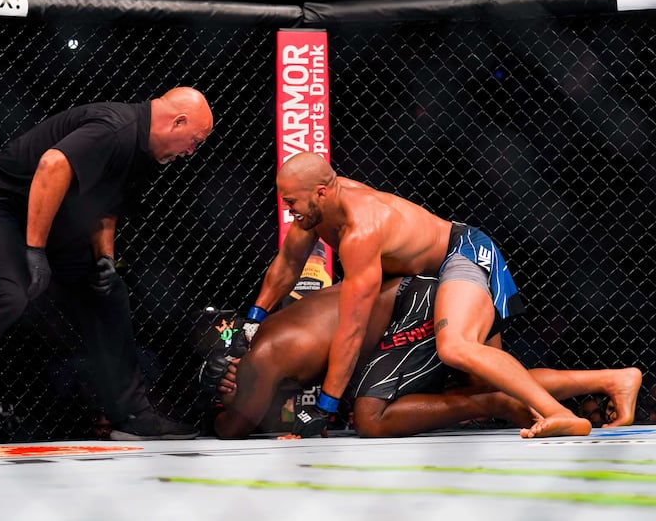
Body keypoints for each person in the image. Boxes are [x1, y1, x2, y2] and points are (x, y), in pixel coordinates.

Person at [0, 87, 213, 452]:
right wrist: (35, 251)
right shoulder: (116, 127)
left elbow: (105, 207)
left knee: (108, 291)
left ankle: (132, 416)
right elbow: (52, 165)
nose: (190, 152)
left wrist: (103, 260)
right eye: (194, 140)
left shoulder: (145, 153)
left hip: (50, 218)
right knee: (8, 291)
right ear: (178, 121)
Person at [235, 151, 595, 439]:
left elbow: (353, 328)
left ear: (322, 192)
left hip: (462, 254)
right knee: (486, 380)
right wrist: (252, 323)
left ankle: (560, 414)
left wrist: (325, 407)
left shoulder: (362, 229)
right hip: (423, 282)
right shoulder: (314, 213)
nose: (288, 209)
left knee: (456, 348)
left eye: (292, 201)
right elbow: (285, 269)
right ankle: (616, 381)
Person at [206, 275, 641, 439]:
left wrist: (225, 403)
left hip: (414, 308)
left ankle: (491, 405)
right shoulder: (277, 329)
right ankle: (611, 378)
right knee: (490, 376)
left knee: (371, 417)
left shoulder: (267, 356)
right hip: (428, 294)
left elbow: (235, 427)